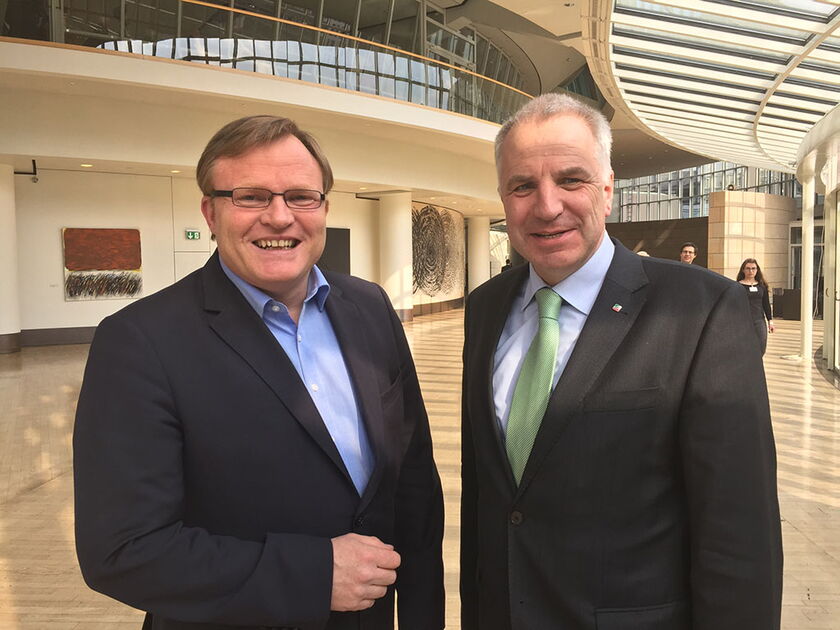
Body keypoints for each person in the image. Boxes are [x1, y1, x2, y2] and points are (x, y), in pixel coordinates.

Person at [73, 115, 444, 630]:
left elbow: (413, 487)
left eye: (300, 196)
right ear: (210, 211)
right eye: (250, 197)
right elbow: (123, 551)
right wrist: (312, 574)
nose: (279, 217)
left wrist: (424, 616)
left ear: (323, 208)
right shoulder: (140, 341)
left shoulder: (369, 307)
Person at [460, 93, 782, 630]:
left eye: (570, 180)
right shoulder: (486, 307)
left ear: (608, 190)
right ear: (502, 197)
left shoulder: (701, 310)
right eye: (523, 186)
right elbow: (488, 500)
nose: (546, 205)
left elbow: (739, 531)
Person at [737, 258, 775, 354]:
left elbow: (766, 304)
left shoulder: (762, 286)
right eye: (748, 268)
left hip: (759, 320)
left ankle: (756, 366)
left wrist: (770, 321)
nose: (751, 271)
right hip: (743, 321)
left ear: (757, 270)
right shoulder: (737, 286)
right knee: (745, 347)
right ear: (743, 270)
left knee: (761, 346)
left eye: (753, 268)